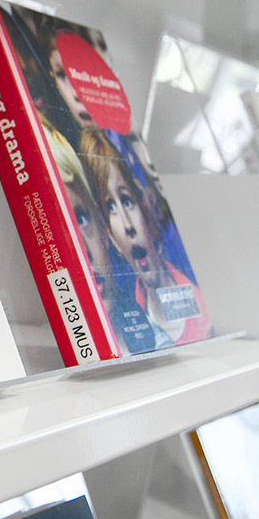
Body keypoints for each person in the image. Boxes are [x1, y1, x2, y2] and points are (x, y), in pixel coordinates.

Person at [78, 127, 212, 346]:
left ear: (145, 206)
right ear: (110, 234)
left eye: (127, 201)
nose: (127, 226)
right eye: (111, 207)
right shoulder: (131, 320)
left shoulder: (203, 313)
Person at [46, 127, 167, 355]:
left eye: (81, 218)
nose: (82, 249)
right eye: (57, 228)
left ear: (103, 227)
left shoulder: (157, 340)